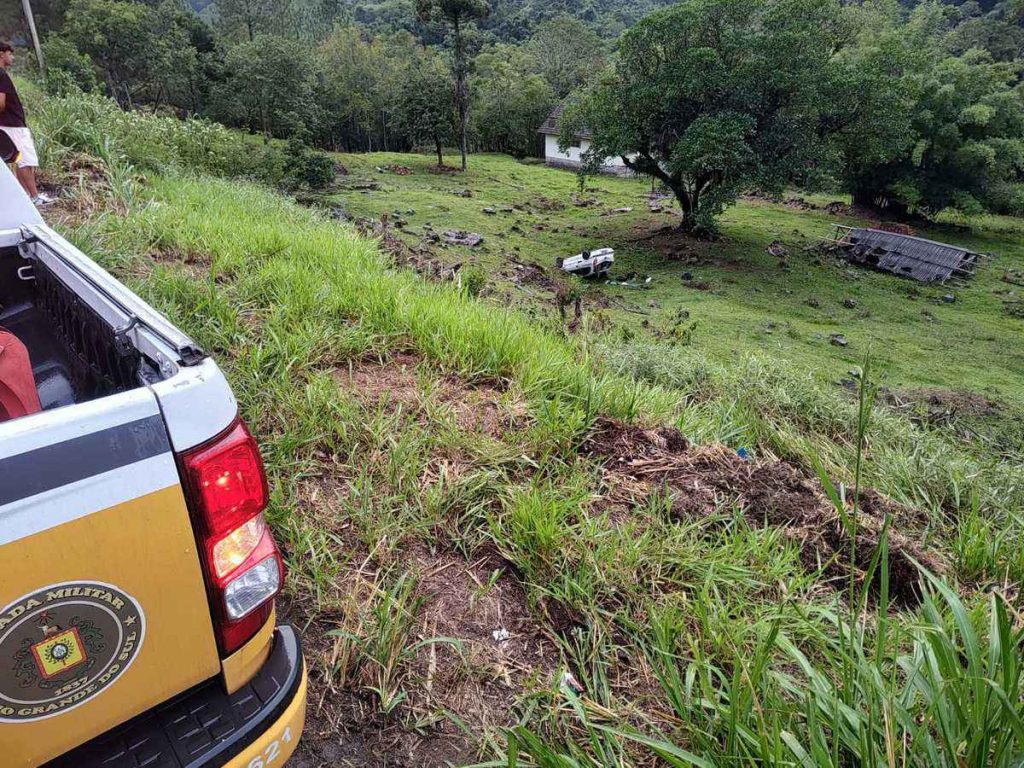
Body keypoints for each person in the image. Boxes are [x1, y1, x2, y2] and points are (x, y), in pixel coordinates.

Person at [0, 43, 52, 205]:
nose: (12, 57)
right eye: (10, 54)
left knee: (18, 159)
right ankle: (34, 197)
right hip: (12, 124)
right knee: (25, 161)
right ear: (1, 54)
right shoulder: (1, 75)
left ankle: (26, 198)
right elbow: (1, 103)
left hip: (7, 124)